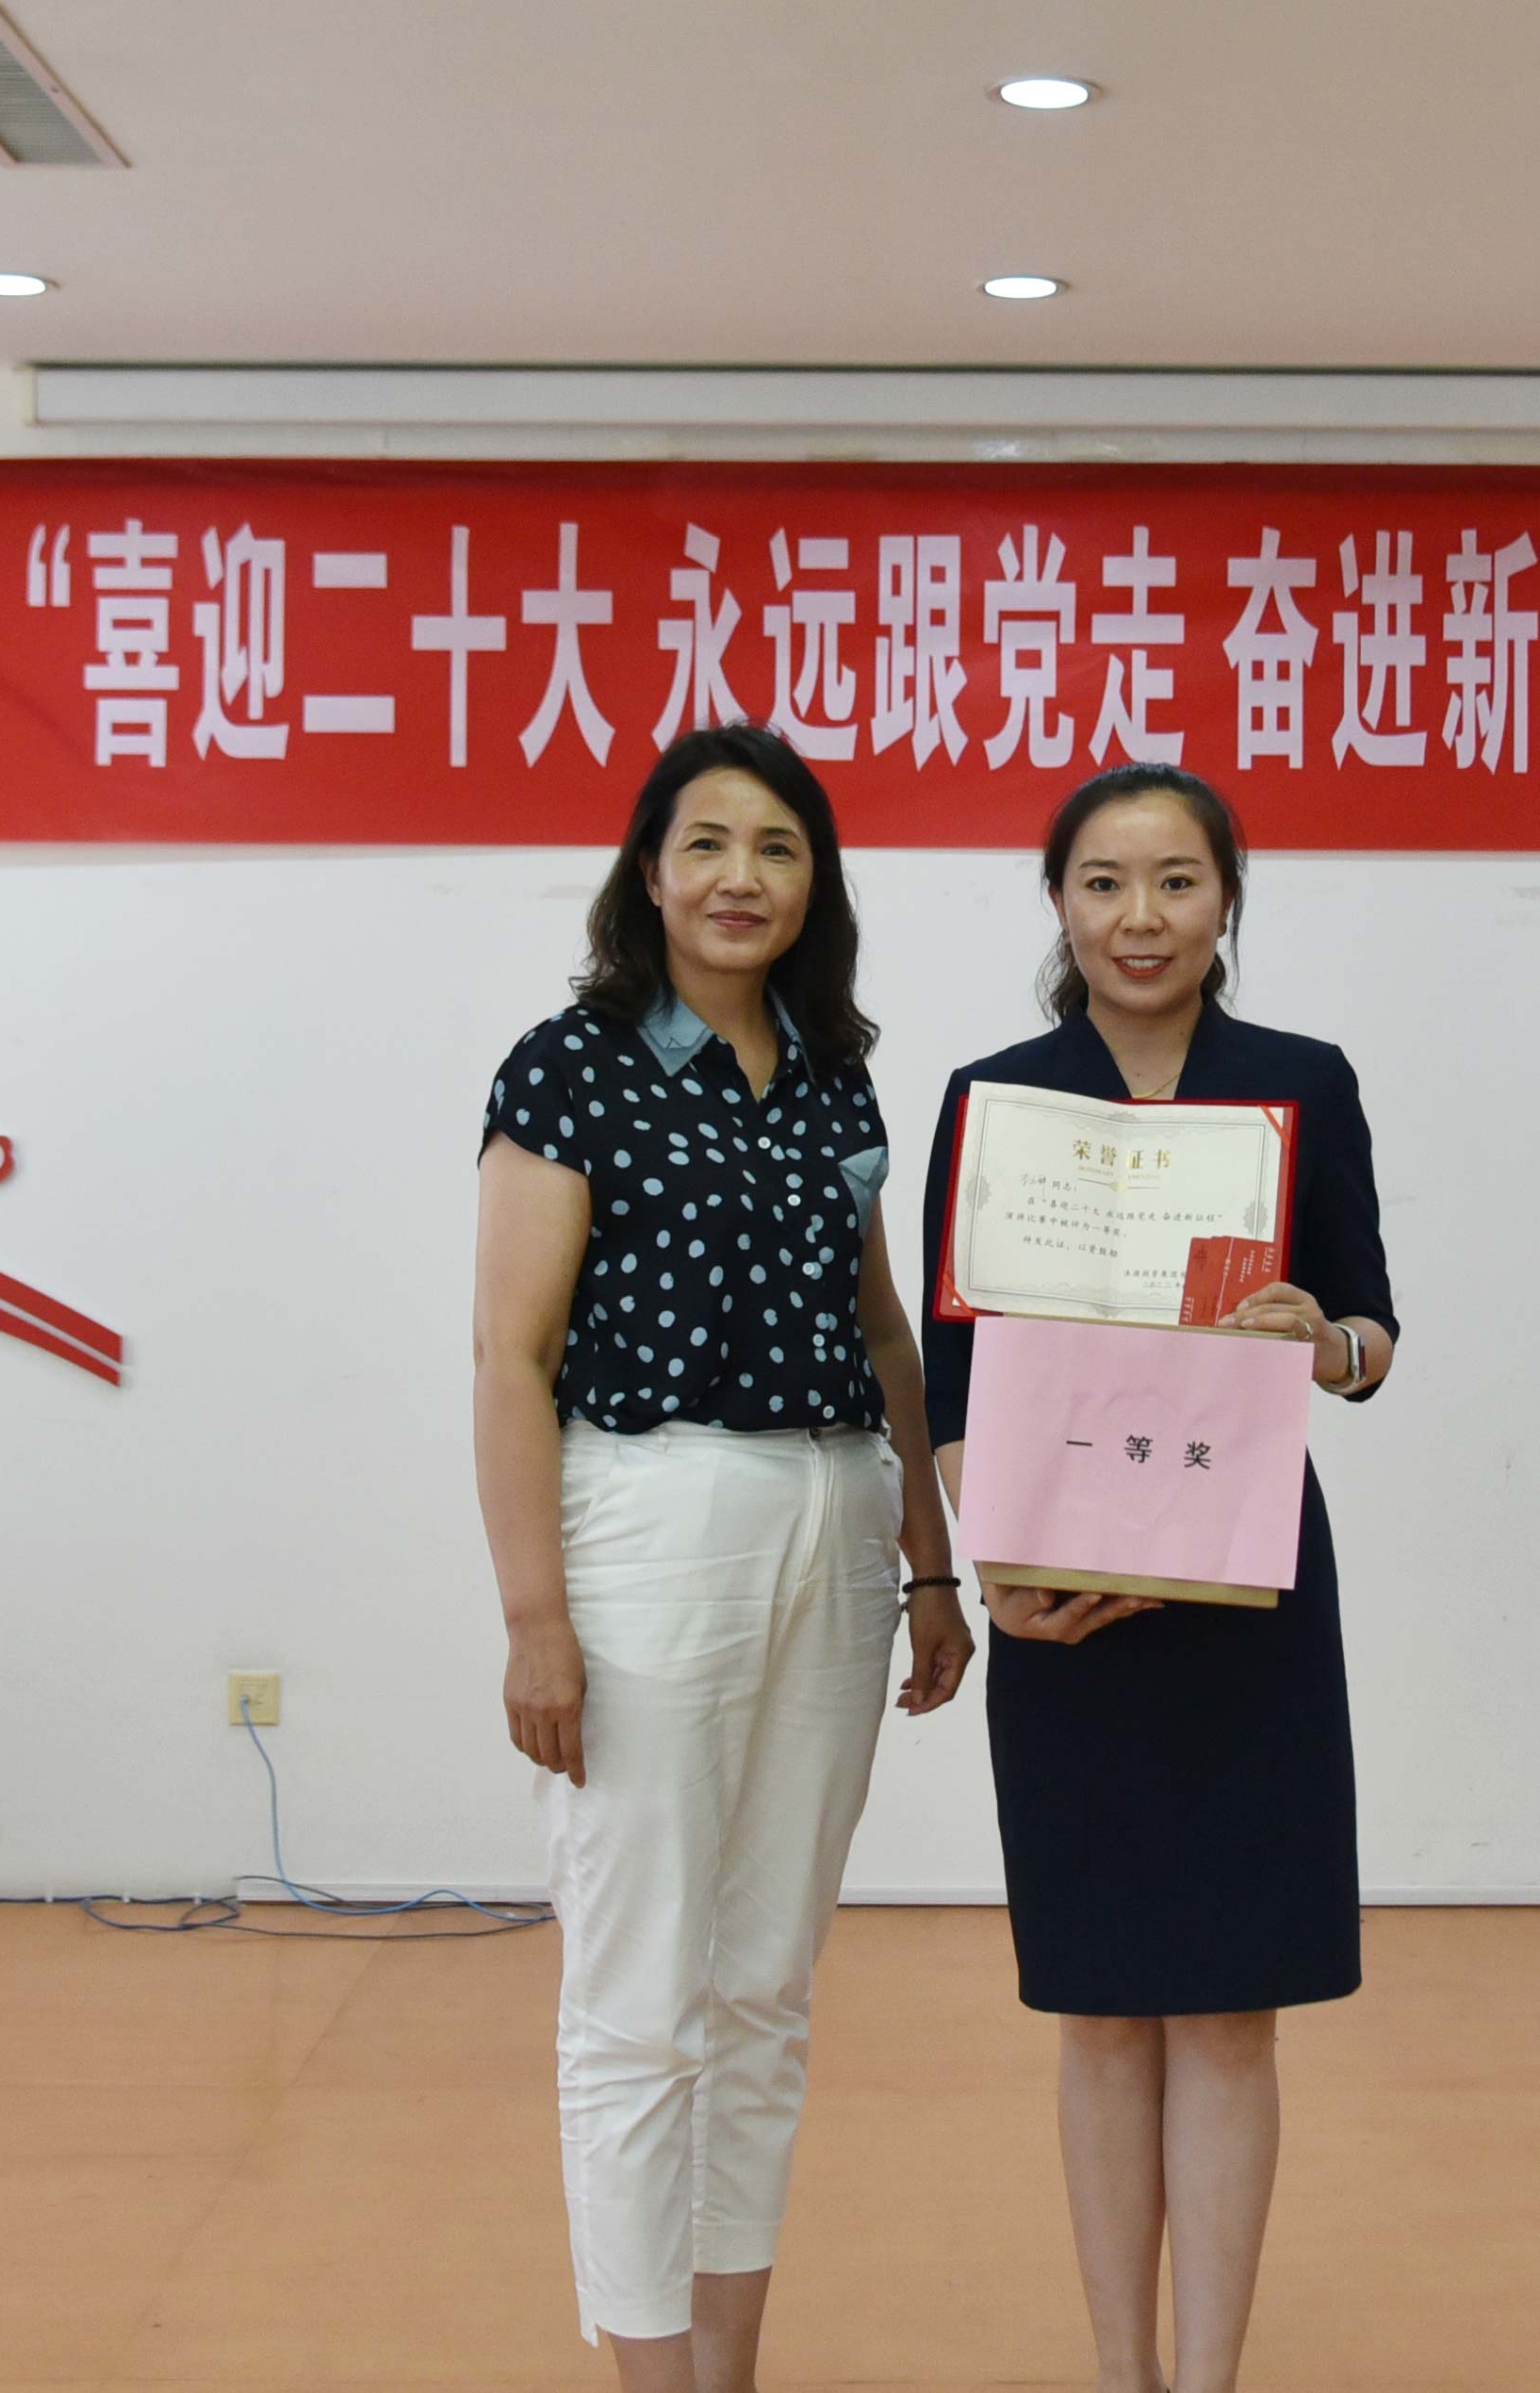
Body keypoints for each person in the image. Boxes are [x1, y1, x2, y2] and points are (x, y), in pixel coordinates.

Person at [472, 721, 975, 2391]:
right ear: (649, 870)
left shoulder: (834, 1073)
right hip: (649, 1521)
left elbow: (883, 1329)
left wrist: (929, 1561)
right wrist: (535, 1618)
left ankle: (728, 2369)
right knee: (638, 2004)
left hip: (836, 1523)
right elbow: (509, 1358)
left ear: (814, 879)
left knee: (764, 1992)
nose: (739, 876)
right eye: (706, 843)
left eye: (776, 846)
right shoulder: (572, 1065)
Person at [920, 763, 1398, 2393]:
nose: (1142, 917)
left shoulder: (1300, 1083)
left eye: (1178, 882)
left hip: (1245, 1590)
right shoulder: (999, 1099)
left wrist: (1320, 1337)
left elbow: (1375, 1331)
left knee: (1231, 2011)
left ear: (1225, 902)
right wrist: (999, 1573)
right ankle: (1120, 2372)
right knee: (1105, 2008)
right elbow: (953, 1373)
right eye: (1106, 883)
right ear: (1060, 902)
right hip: (1065, 1609)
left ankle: (1207, 2381)